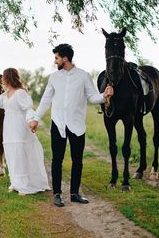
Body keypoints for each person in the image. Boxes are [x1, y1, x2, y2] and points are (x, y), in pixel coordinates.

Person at [28, 44, 113, 207]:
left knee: (77, 160)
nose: (55, 61)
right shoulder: (53, 78)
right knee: (56, 160)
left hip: (77, 124)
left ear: (65, 58)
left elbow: (93, 97)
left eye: (57, 58)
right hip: (58, 123)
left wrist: (104, 95)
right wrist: (36, 118)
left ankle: (74, 194)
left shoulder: (84, 76)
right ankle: (57, 194)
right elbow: (46, 99)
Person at [0, 68, 51, 195]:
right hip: (9, 127)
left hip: (20, 127)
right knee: (11, 154)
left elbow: (28, 109)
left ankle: (25, 186)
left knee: (20, 153)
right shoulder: (5, 95)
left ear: (8, 78)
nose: (1, 80)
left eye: (3, 77)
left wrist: (32, 120)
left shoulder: (20, 93)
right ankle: (16, 183)